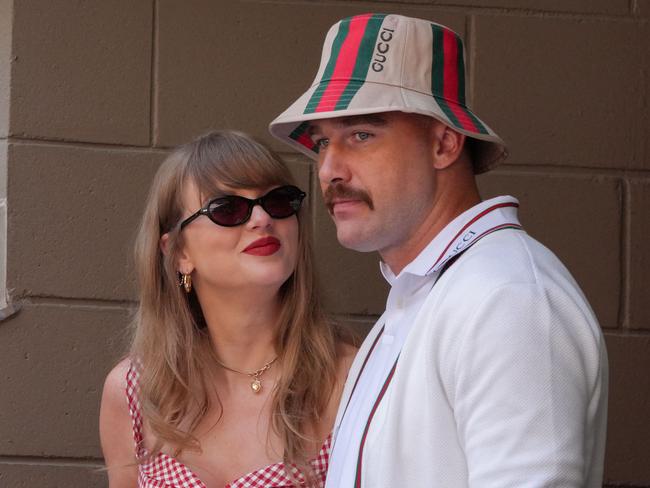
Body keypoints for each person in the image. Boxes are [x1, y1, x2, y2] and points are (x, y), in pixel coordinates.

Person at [269, 13, 608, 488]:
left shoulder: (506, 298)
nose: (328, 169)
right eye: (323, 142)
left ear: (445, 143)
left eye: (360, 134)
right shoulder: (430, 292)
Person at [99, 131, 355, 488]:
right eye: (227, 209)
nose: (262, 218)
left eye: (278, 201)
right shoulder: (135, 390)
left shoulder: (352, 379)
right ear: (180, 253)